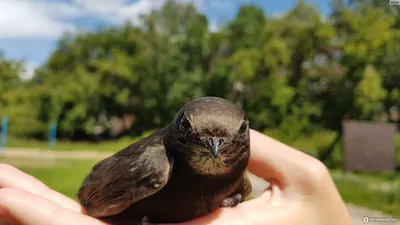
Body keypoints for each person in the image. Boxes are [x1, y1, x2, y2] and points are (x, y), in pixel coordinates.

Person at [0, 129, 353, 225]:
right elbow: (92, 196)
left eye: (228, 140)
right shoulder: (158, 165)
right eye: (192, 132)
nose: (214, 148)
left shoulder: (237, 179)